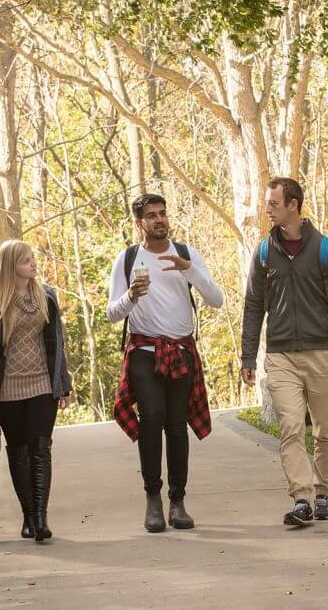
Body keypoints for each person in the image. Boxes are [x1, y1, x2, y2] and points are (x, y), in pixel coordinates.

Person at [240, 177, 328, 527]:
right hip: (280, 355)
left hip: (322, 353)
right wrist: (248, 356)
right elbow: (252, 306)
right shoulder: (263, 252)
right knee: (291, 426)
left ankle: (324, 494)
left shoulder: (324, 249)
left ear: (293, 205)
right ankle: (302, 498)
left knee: (325, 428)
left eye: (273, 204)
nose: (267, 209)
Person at [107, 193, 224, 533]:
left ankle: (178, 501)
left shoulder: (185, 254)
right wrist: (131, 295)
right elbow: (112, 314)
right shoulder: (128, 259)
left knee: (176, 424)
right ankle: (152, 500)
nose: (159, 219)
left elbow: (216, 300)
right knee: (152, 419)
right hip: (144, 353)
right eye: (151, 215)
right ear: (139, 223)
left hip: (182, 352)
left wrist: (190, 271)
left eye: (162, 213)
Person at [0, 240, 72, 543]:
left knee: (41, 448)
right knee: (18, 452)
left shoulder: (47, 297)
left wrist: (64, 384)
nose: (33, 264)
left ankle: (41, 519)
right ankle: (28, 517)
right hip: (7, 390)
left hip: (42, 383)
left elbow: (58, 343)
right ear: (11, 266)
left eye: (32, 259)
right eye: (26, 260)